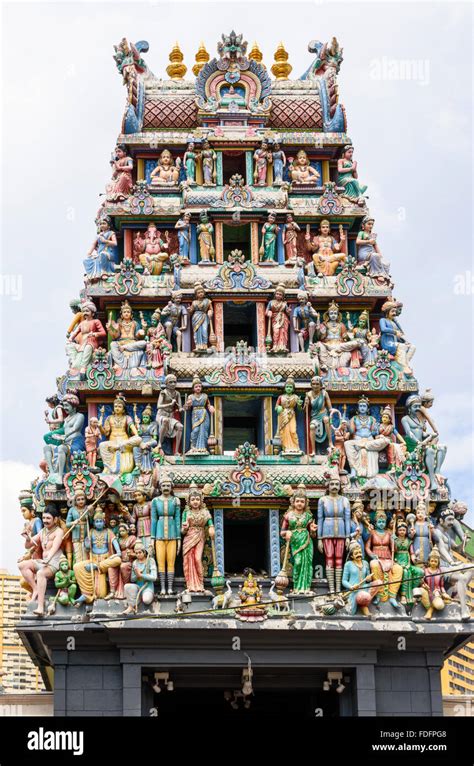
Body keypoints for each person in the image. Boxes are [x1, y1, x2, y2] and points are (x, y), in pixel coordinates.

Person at [19, 505, 65, 617]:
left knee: (40, 573)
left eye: (48, 518)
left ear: (55, 519)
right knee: (22, 565)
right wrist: (27, 538)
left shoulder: (59, 532)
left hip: (54, 562)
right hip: (44, 562)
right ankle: (35, 589)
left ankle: (40, 607)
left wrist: (48, 559)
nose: (45, 521)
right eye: (44, 518)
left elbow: (55, 547)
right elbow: (28, 545)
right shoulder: (42, 532)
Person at [181, 485, 214, 592]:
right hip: (189, 537)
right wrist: (184, 528)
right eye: (193, 499)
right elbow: (182, 530)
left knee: (197, 559)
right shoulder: (186, 512)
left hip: (200, 535)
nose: (195, 501)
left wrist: (211, 529)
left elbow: (210, 524)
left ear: (201, 501)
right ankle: (190, 584)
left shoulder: (205, 512)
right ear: (189, 501)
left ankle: (200, 583)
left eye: (197, 499)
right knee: (188, 559)